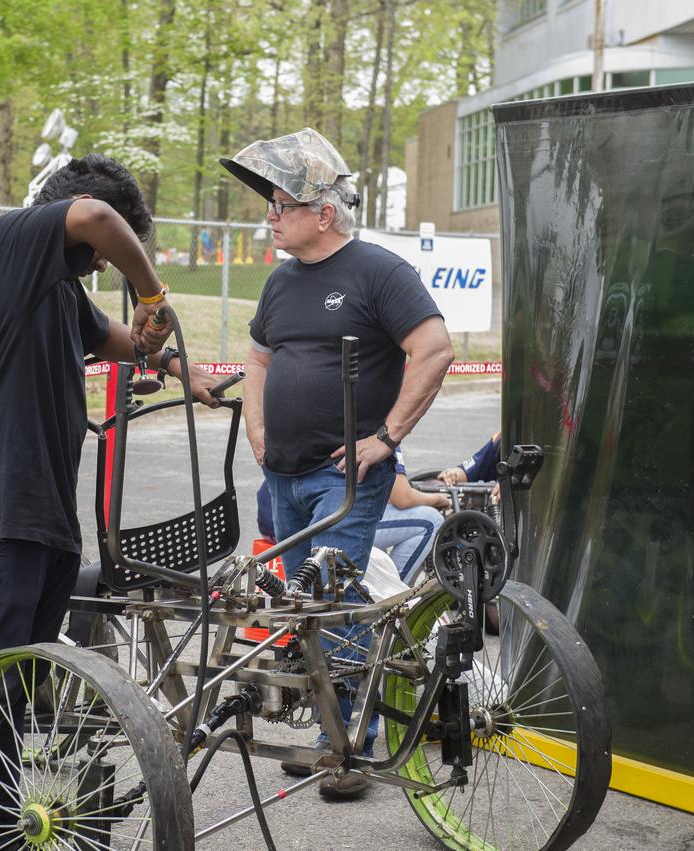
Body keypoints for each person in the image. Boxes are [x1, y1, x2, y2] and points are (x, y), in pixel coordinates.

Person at [0, 153, 219, 847]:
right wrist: (150, 290)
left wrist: (178, 363)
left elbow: (123, 343)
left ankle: (1, 824)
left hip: (45, 518)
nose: (98, 266)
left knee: (17, 694)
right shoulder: (4, 242)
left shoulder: (58, 288)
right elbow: (95, 219)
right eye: (100, 256)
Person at [223, 127, 453, 800]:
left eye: (280, 204)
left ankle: (348, 746)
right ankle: (330, 724)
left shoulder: (378, 272)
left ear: (321, 213)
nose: (269, 215)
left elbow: (434, 349)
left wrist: (386, 436)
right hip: (284, 474)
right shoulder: (279, 281)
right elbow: (259, 359)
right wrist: (258, 429)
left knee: (331, 602)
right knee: (303, 609)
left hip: (344, 477)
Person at [372, 448, 450, 582]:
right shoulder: (385, 435)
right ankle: (390, 592)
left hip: (328, 517)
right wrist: (438, 499)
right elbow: (403, 498)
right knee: (431, 521)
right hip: (345, 525)